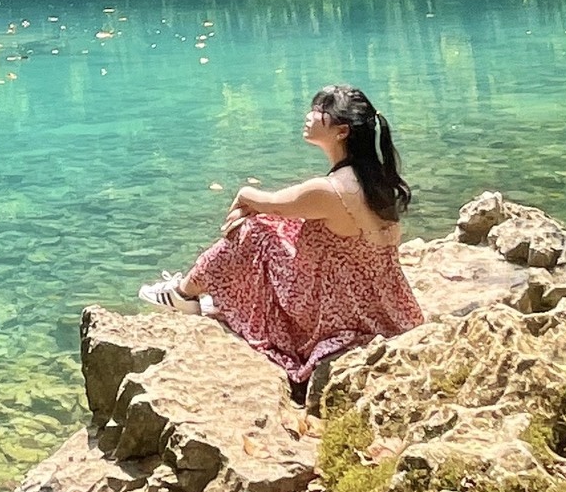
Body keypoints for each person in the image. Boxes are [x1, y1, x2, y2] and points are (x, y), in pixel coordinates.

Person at [139, 84, 424, 401]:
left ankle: (185, 293)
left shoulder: (329, 190)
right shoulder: (374, 180)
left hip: (336, 312)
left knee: (257, 228)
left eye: (319, 111)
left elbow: (263, 201)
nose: (309, 116)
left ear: (341, 131)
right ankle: (207, 295)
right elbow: (287, 212)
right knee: (280, 224)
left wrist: (240, 205)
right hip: (381, 306)